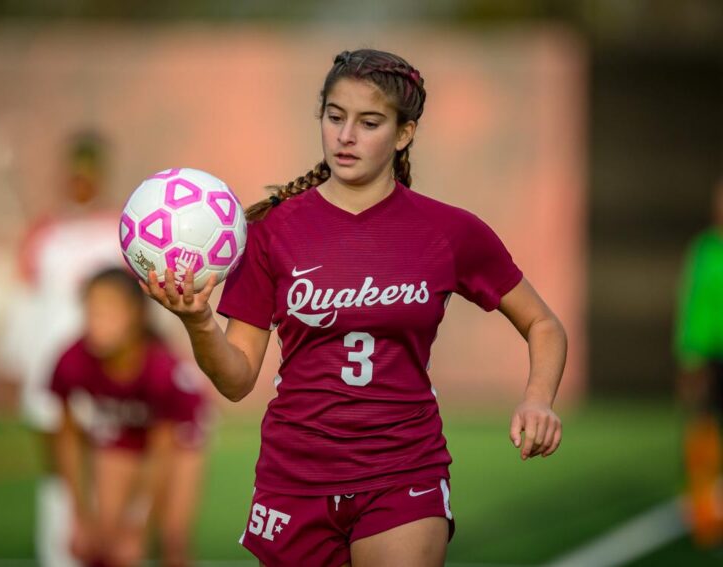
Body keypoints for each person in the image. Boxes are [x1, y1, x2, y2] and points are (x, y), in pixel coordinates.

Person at [141, 48, 567, 567]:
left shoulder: (449, 231)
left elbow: (543, 323)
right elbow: (236, 380)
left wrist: (538, 398)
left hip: (404, 470)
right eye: (335, 117)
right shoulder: (272, 232)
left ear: (404, 134)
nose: (346, 136)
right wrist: (199, 321)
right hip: (295, 478)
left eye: (369, 123)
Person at [0, 130, 125, 567]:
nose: (80, 181)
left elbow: (137, 302)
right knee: (58, 470)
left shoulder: (119, 232)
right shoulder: (44, 234)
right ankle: (58, 554)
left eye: (89, 172)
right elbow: (25, 302)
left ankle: (113, 547)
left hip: (109, 372)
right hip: (49, 370)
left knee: (113, 462)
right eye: (74, 172)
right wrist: (12, 364)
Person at [50, 267, 209, 567]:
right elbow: (67, 437)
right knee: (104, 540)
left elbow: (162, 450)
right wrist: (79, 516)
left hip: (180, 437)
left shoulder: (160, 369)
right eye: (92, 311)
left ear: (136, 316)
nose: (98, 322)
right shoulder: (72, 360)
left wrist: (138, 527)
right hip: (123, 431)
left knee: (172, 537)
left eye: (110, 312)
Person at [675, 178, 723, 547]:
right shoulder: (705, 250)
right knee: (702, 428)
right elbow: (692, 304)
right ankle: (704, 511)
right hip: (707, 354)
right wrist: (688, 353)